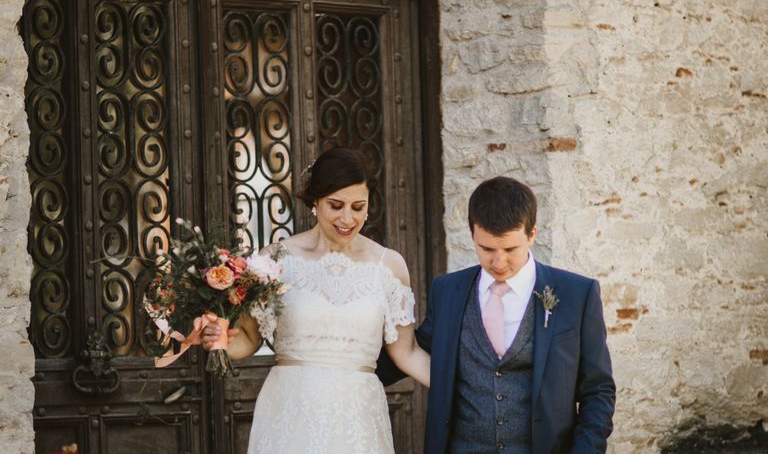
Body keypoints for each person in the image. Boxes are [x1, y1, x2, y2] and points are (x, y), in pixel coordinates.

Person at [201, 146, 430, 453]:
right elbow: (248, 341)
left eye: (358, 206)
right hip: (290, 411)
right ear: (316, 202)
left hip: (358, 418)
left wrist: (464, 389)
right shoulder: (275, 260)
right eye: (336, 205)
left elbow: (407, 352)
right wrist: (221, 340)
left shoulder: (388, 266)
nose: (348, 218)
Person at [378, 176, 615, 453]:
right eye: (487, 249)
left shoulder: (578, 294)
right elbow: (410, 350)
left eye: (510, 249)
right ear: (472, 236)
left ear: (532, 234)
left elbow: (598, 391)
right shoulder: (447, 291)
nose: (499, 262)